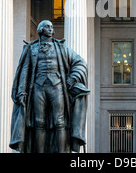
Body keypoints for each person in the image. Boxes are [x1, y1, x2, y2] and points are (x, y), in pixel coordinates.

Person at [10, 20, 89, 153]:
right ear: (40, 30)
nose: (51, 29)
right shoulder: (31, 48)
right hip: (38, 88)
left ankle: (62, 151)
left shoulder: (62, 48)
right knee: (38, 122)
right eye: (48, 27)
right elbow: (25, 71)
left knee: (60, 122)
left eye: (52, 27)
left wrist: (72, 79)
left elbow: (81, 63)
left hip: (57, 87)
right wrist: (21, 91)